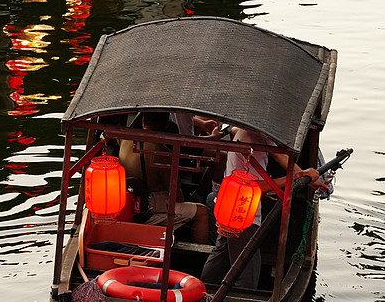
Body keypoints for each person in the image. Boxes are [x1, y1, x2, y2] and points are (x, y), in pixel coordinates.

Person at [201, 128, 328, 290]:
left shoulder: (251, 133)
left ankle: (203, 292)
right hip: (242, 212)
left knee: (221, 255)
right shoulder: (252, 138)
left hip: (230, 206)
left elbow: (281, 158)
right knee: (248, 269)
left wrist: (307, 177)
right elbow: (256, 185)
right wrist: (299, 176)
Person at [119, 113, 209, 244]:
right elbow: (176, 195)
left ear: (143, 122)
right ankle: (199, 257)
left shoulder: (125, 139)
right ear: (167, 126)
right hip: (148, 210)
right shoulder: (160, 151)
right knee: (202, 212)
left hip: (128, 200)